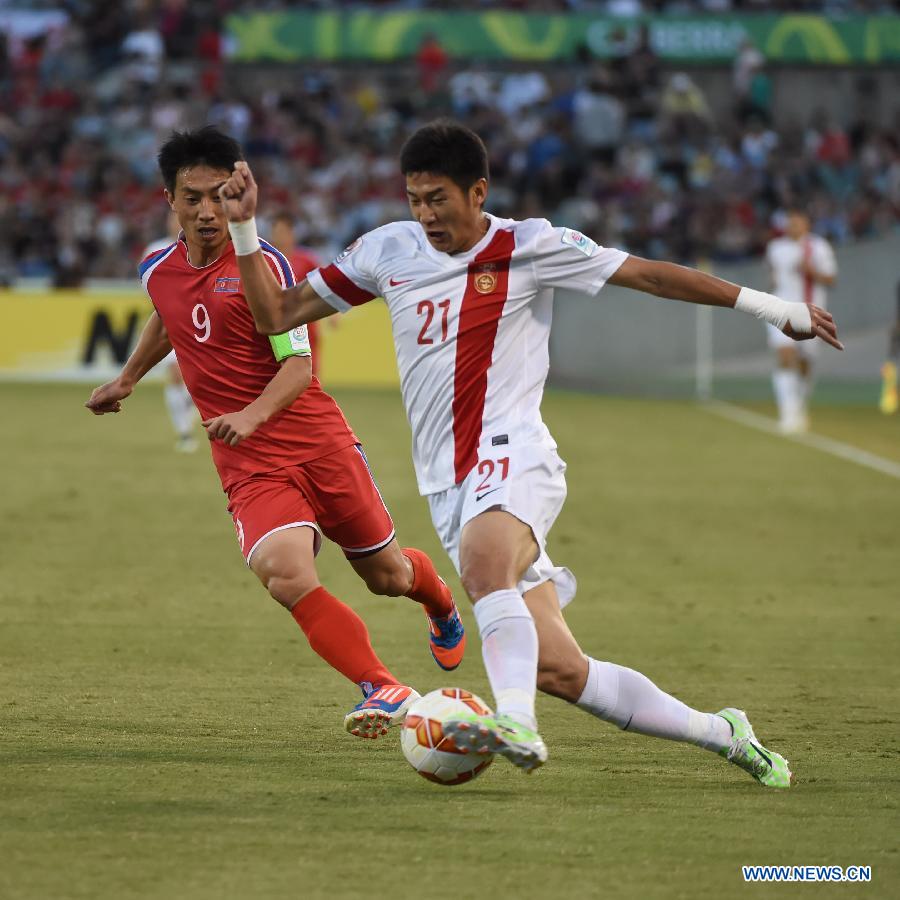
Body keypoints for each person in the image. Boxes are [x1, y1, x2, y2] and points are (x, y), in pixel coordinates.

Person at [218, 120, 842, 786]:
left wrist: (775, 308)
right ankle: (724, 733)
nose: (425, 214)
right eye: (415, 199)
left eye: (439, 199)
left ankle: (513, 722)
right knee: (562, 670)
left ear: (478, 191)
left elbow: (652, 277)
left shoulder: (531, 245)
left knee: (489, 572)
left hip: (516, 453)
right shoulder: (387, 249)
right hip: (448, 484)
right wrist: (244, 230)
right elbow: (276, 316)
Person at [86, 126, 466, 740]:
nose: (207, 211)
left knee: (387, 577)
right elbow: (169, 316)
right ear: (170, 201)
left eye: (218, 196)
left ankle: (441, 603)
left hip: (316, 441)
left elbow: (298, 365)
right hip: (248, 463)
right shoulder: (157, 268)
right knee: (285, 574)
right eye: (193, 198)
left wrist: (251, 416)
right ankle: (381, 684)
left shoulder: (264, 266)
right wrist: (128, 377)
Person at [765, 208, 838, 433]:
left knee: (805, 362)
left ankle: (800, 405)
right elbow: (771, 274)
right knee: (785, 354)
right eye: (790, 222)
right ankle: (788, 413)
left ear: (806, 224)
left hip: (811, 312)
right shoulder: (775, 247)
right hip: (780, 309)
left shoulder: (818, 247)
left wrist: (810, 271)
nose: (793, 226)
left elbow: (831, 279)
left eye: (797, 223)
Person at [142, 209, 199, 452]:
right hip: (170, 324)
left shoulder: (199, 249)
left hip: (198, 326)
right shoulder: (156, 250)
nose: (174, 222)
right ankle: (184, 433)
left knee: (195, 383)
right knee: (175, 376)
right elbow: (147, 286)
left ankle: (191, 410)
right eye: (171, 217)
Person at [268, 212, 325, 378]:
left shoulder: (307, 259)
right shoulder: (266, 259)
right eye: (276, 232)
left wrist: (333, 315)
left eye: (283, 232)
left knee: (310, 370)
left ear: (291, 233)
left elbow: (323, 283)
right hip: (276, 324)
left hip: (306, 325)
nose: (280, 236)